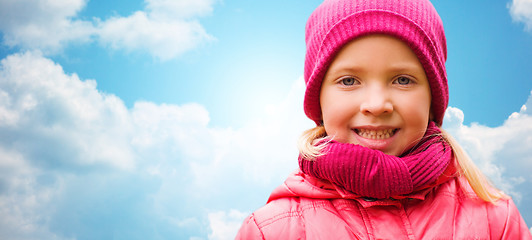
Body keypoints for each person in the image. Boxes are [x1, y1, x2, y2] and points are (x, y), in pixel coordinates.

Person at [236, 0, 532, 239]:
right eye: (349, 80)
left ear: (433, 98)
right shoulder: (272, 231)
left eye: (402, 80)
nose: (377, 105)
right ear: (319, 100)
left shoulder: (496, 220)